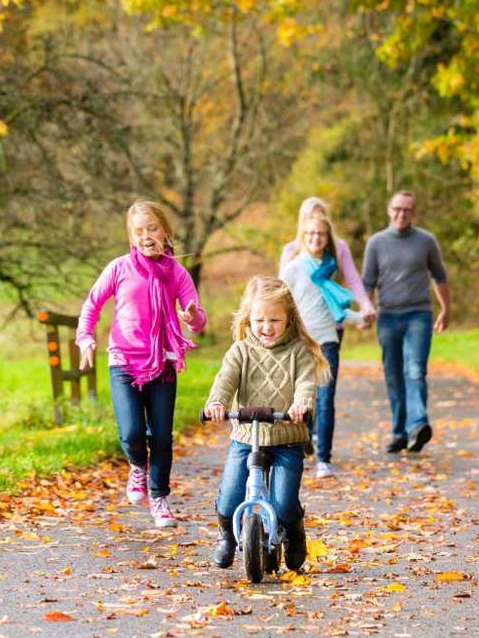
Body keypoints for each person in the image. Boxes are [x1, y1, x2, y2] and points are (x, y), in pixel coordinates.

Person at [76, 200, 207, 528]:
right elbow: (92, 305)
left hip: (162, 362)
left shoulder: (176, 273)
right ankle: (138, 465)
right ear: (131, 238)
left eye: (152, 228)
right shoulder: (119, 268)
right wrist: (85, 338)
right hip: (123, 361)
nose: (147, 236)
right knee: (133, 432)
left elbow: (198, 319)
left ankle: (159, 498)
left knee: (161, 435)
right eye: (139, 231)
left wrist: (191, 317)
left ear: (165, 231)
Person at [204, 276, 330, 571]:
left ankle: (293, 530)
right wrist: (217, 403)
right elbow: (225, 381)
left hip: (287, 435)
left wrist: (302, 405)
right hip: (247, 436)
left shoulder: (299, 351)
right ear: (249, 319)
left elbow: (305, 384)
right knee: (230, 497)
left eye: (274, 319)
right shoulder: (240, 351)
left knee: (284, 504)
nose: (266, 326)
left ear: (289, 320)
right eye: (259, 319)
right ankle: (226, 535)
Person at [361, 191, 450, 455]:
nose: (402, 214)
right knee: (393, 375)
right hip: (388, 317)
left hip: (418, 316)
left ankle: (418, 425)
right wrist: (366, 311)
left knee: (415, 370)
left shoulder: (426, 241)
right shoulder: (376, 243)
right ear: (389, 210)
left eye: (407, 210)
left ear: (414, 212)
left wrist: (446, 310)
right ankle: (399, 433)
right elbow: (367, 282)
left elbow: (440, 276)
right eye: (397, 209)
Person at [280, 211, 367, 479]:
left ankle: (324, 460)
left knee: (326, 401)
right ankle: (299, 442)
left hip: (328, 343)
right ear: (302, 238)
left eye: (320, 233)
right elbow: (279, 303)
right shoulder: (293, 269)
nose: (315, 238)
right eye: (310, 234)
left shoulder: (329, 268)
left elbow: (333, 311)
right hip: (301, 344)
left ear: (328, 237)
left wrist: (361, 317)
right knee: (300, 401)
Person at [280, 197, 376, 331]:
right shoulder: (290, 251)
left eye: (320, 215)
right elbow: (283, 291)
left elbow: (353, 280)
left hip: (333, 323)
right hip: (303, 328)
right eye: (310, 216)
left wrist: (366, 306)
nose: (316, 219)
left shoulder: (340, 247)